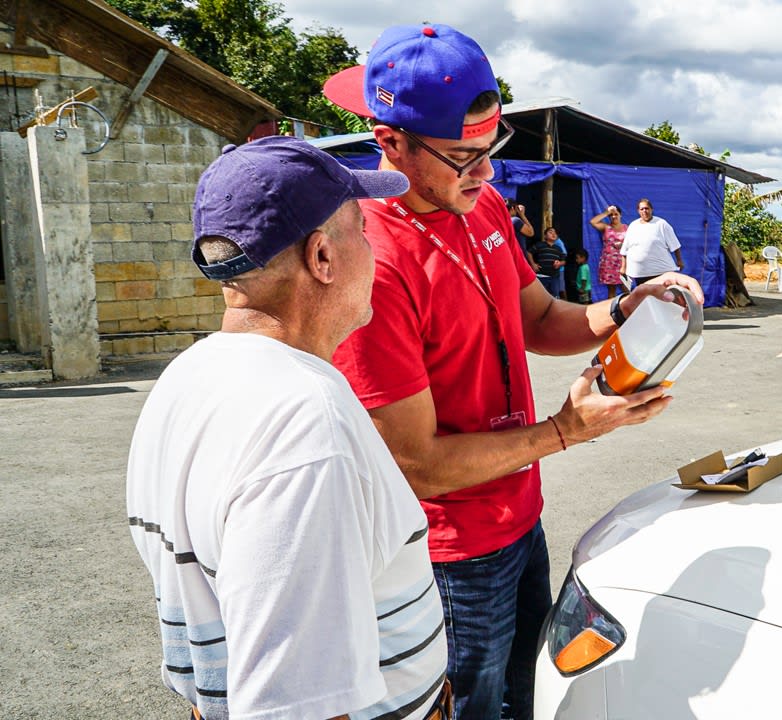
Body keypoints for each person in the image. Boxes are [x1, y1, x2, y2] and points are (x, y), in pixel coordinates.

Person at [321, 23, 705, 720]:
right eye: (464, 156)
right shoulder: (369, 262)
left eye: (490, 149)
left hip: (517, 519)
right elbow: (421, 465)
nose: (487, 172)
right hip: (447, 552)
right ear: (391, 143)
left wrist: (624, 308)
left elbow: (537, 318)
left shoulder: (482, 206)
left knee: (522, 698)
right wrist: (564, 432)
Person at [126, 136, 451, 720]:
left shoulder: (189, 374)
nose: (374, 252)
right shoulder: (305, 421)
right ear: (322, 257)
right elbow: (294, 703)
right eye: (363, 232)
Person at [621, 197, 684, 284]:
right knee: (644, 297)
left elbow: (675, 245)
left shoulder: (662, 224)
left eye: (646, 208)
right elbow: (625, 249)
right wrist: (623, 267)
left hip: (660, 272)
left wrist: (679, 260)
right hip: (640, 273)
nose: (644, 211)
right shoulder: (633, 226)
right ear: (638, 211)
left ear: (651, 209)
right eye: (642, 209)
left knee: (662, 296)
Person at [589, 204, 627, 297]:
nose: (614, 216)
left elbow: (634, 244)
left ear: (620, 215)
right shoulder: (606, 227)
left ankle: (631, 309)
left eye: (616, 214)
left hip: (623, 263)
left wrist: (624, 245)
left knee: (626, 288)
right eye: (611, 215)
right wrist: (606, 212)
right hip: (608, 263)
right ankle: (611, 311)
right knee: (611, 290)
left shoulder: (627, 228)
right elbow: (593, 221)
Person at [532, 226, 566, 296]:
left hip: (554, 277)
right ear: (545, 235)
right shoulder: (540, 245)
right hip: (541, 276)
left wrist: (559, 263)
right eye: (550, 232)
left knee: (555, 297)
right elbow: (529, 252)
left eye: (555, 233)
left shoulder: (558, 248)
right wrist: (533, 264)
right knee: (541, 297)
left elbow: (564, 261)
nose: (553, 234)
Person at [506, 197, 536, 267]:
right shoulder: (515, 220)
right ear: (513, 208)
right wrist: (522, 215)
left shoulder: (502, 221)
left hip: (509, 257)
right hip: (519, 258)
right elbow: (531, 233)